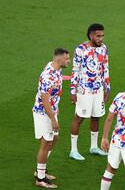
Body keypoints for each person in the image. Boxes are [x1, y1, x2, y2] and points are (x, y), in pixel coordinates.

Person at [69, 23, 110, 160]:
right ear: (91, 35)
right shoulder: (81, 49)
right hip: (84, 90)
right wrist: (73, 90)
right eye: (98, 36)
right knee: (79, 117)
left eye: (102, 36)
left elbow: (105, 68)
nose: (101, 39)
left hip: (98, 90)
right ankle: (73, 150)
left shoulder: (104, 48)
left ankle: (94, 147)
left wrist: (107, 87)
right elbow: (75, 70)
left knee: (96, 116)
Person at [32, 48, 70, 188]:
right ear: (59, 60)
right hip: (44, 113)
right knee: (46, 143)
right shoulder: (48, 75)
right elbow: (45, 99)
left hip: (52, 112)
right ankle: (40, 178)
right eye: (67, 59)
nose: (68, 61)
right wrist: (53, 119)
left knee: (54, 139)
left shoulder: (54, 68)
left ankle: (39, 169)